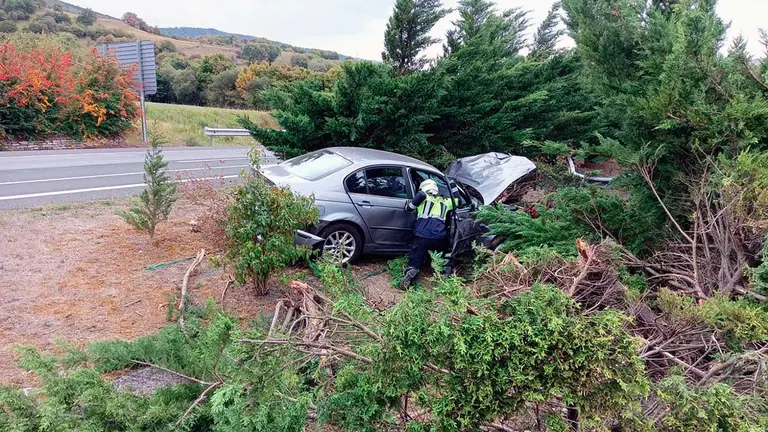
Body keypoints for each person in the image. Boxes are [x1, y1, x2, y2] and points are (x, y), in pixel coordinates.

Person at [400, 179, 456, 289]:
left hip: (421, 236)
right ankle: (446, 272)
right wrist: (452, 185)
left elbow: (408, 208)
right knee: (448, 250)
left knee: (415, 257)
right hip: (439, 237)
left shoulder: (422, 196)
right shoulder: (446, 201)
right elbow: (458, 201)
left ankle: (411, 272)